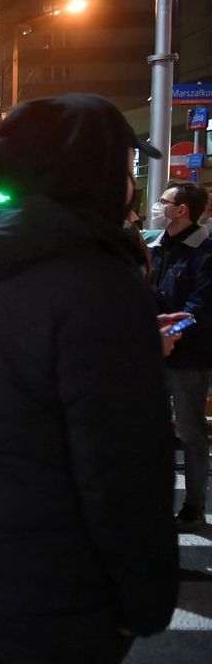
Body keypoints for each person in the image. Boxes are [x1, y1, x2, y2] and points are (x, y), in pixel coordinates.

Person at [0, 94, 178, 664]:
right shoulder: (98, 280)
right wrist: (145, 591)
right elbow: (123, 464)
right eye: (125, 163)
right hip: (64, 557)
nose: (132, 182)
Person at [148, 180, 212, 531]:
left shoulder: (205, 253)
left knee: (190, 431)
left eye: (164, 201)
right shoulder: (157, 248)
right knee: (150, 430)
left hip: (188, 357)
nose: (158, 207)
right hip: (153, 352)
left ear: (182, 210)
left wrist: (166, 336)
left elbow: (198, 308)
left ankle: (193, 504)